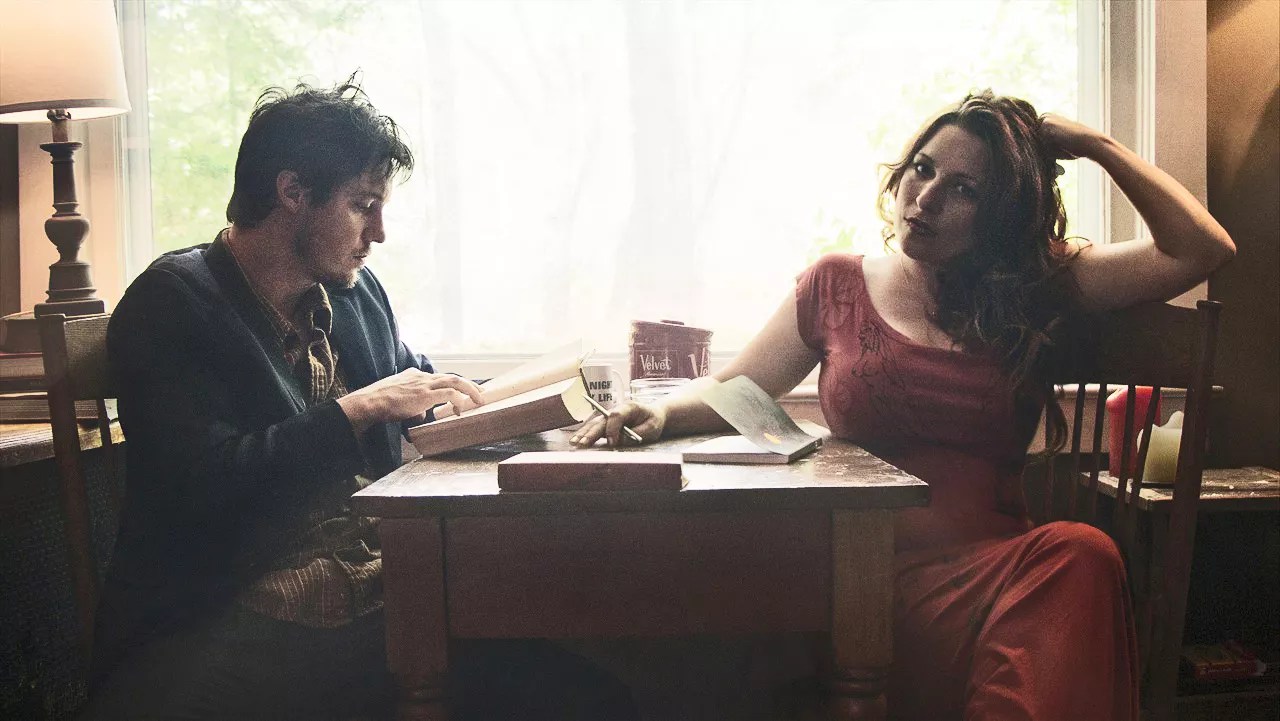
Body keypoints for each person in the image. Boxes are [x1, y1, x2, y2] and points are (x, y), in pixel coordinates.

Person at [571, 90, 1236, 720]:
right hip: (856, 580)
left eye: (964, 190)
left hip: (999, 586)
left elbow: (1203, 249)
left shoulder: (1039, 288)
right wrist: (661, 415)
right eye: (923, 168)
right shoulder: (836, 283)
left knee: (1084, 552)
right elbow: (741, 387)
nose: (926, 198)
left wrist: (1094, 144)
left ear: (1001, 216)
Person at [83, 79, 636, 720]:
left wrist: (498, 409)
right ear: (293, 193)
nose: (379, 232)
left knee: (589, 686)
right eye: (362, 206)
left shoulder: (352, 294)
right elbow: (203, 490)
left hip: (372, 596)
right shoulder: (173, 303)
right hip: (231, 618)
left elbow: (416, 389)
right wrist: (360, 410)